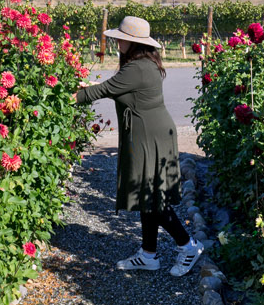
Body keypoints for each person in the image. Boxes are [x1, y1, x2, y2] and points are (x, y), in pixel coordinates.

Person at [75, 15, 203, 275]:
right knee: (149, 195)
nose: (116, 42)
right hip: (153, 131)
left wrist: (64, 94)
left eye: (120, 39)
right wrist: (90, 86)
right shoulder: (145, 63)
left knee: (153, 197)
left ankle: (188, 246)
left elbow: (100, 92)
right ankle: (148, 254)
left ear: (132, 42)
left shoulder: (136, 68)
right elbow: (111, 88)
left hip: (149, 135)